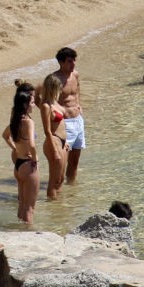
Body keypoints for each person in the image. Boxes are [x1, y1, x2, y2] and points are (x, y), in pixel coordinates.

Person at [2, 80, 40, 226]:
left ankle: (19, 233)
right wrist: (35, 158)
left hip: (18, 165)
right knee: (30, 209)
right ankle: (29, 238)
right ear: (25, 104)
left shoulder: (16, 119)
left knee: (22, 206)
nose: (34, 104)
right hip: (28, 165)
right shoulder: (29, 122)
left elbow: (5, 135)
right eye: (32, 102)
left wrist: (15, 149)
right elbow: (31, 143)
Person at [49, 47, 85, 184]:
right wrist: (54, 113)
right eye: (70, 61)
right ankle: (58, 190)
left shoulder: (75, 75)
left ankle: (71, 191)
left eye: (74, 60)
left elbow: (77, 89)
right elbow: (42, 98)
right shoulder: (54, 79)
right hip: (65, 125)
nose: (73, 64)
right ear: (61, 62)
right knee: (61, 164)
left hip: (78, 121)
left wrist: (79, 104)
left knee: (74, 162)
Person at [35, 73, 67, 200]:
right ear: (52, 88)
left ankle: (57, 208)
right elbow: (47, 130)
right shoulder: (46, 106)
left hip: (64, 141)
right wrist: (54, 149)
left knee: (61, 178)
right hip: (54, 141)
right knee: (53, 180)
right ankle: (52, 205)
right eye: (58, 88)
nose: (60, 90)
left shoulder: (56, 104)